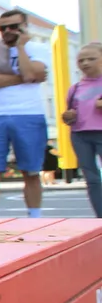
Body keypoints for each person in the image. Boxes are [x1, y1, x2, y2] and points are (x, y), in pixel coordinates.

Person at [0, 9, 49, 218]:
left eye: (13, 27)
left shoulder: (38, 48)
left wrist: (20, 47)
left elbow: (30, 72)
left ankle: (34, 217)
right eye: (2, 28)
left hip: (29, 113)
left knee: (32, 171)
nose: (7, 31)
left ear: (24, 27)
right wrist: (26, 77)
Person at [60, 41, 102, 217]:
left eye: (91, 59)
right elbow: (70, 114)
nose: (85, 63)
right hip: (80, 135)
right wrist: (68, 116)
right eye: (81, 60)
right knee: (91, 179)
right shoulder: (75, 88)